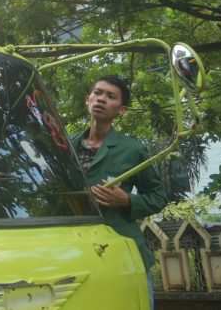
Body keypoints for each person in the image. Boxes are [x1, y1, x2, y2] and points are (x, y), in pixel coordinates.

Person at [70, 75, 166, 308]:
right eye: (98, 93)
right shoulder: (65, 145)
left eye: (111, 96)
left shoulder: (132, 149)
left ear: (121, 110)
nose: (101, 99)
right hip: (73, 251)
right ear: (88, 99)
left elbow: (158, 196)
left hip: (121, 251)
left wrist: (127, 200)